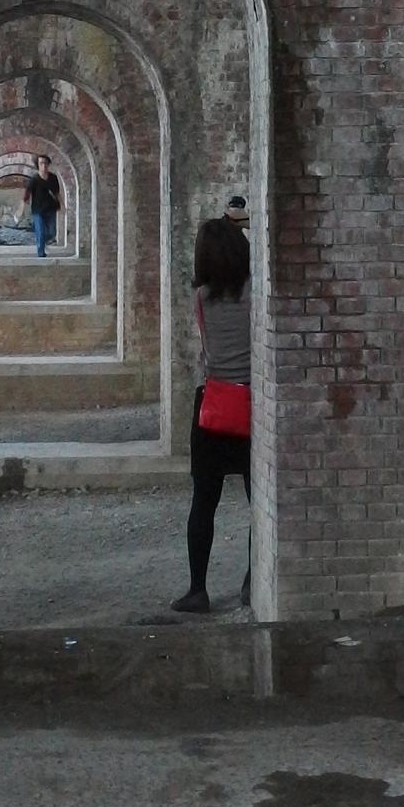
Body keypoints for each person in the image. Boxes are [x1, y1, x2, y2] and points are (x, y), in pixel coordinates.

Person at [172, 216, 252, 615]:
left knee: (204, 502)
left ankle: (197, 589)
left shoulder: (201, 299)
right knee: (261, 502)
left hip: (214, 407)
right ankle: (255, 578)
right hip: (253, 407)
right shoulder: (256, 294)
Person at [21, 155, 62, 258]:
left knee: (52, 232)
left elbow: (57, 193)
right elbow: (27, 193)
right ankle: (41, 254)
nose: (44, 166)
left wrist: (63, 205)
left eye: (45, 163)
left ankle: (43, 240)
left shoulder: (53, 178)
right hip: (37, 210)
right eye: (41, 163)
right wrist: (21, 207)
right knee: (40, 232)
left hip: (51, 209)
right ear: (38, 165)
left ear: (48, 164)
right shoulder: (34, 179)